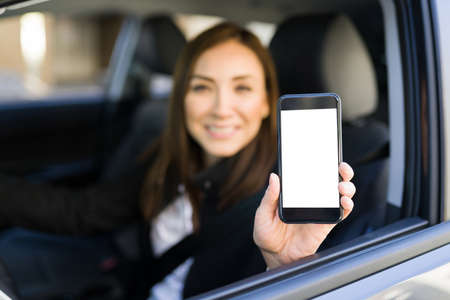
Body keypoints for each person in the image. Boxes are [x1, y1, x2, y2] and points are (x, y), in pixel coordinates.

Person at [0, 22, 355, 299]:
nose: (220, 109)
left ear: (265, 103)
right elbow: (84, 212)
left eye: (242, 88)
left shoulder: (282, 203)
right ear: (181, 97)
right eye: (202, 87)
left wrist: (281, 268)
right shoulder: (167, 157)